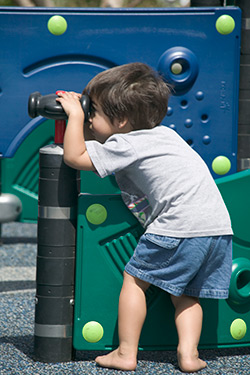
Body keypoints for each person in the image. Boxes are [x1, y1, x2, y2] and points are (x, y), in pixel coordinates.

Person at [56, 62, 233, 373]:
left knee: (135, 281)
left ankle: (126, 352)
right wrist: (90, 119)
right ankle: (189, 355)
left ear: (122, 120)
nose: (89, 118)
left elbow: (74, 157)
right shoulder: (167, 136)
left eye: (93, 111)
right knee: (187, 295)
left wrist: (74, 116)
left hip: (179, 226)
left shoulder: (126, 143)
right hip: (217, 228)